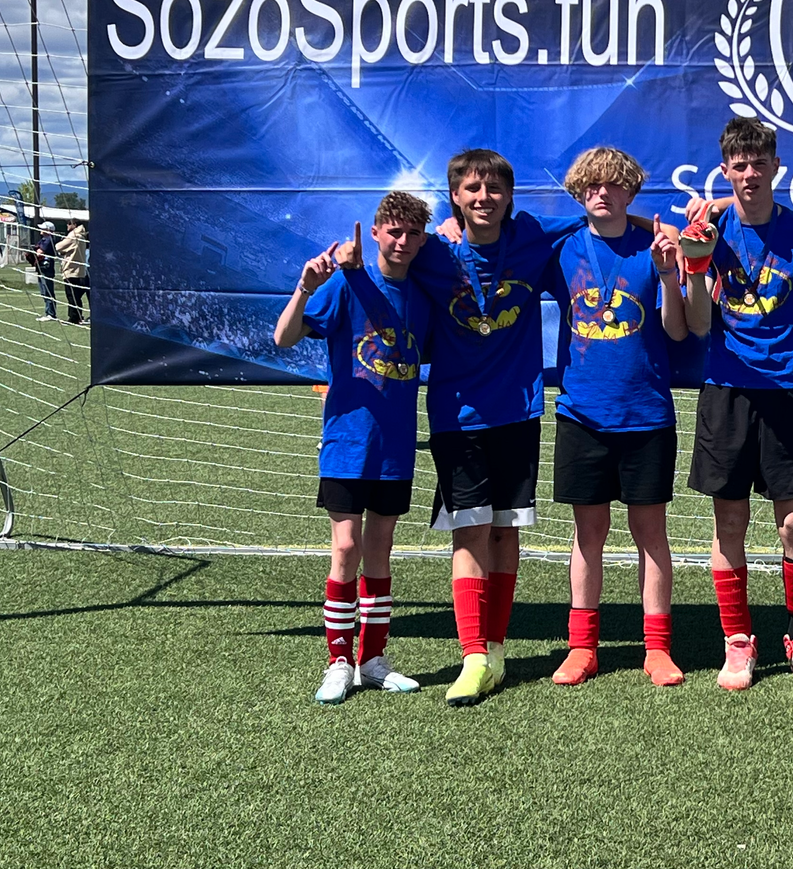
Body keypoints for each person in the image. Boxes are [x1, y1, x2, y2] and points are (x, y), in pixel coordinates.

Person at [408, 150, 588, 707]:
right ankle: (472, 656)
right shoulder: (433, 251)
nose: (483, 196)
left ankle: (498, 650)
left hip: (519, 409)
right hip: (457, 416)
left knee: (506, 531)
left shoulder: (533, 235)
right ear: (455, 198)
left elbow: (599, 215)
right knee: (470, 531)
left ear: (510, 196)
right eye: (470, 188)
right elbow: (388, 253)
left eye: (493, 188)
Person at [542, 146, 702, 688]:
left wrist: (668, 274)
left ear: (631, 192)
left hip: (647, 413)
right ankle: (582, 647)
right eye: (591, 185)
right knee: (588, 534)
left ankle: (657, 648)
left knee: (649, 533)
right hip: (581, 413)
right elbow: (508, 242)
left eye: (613, 185)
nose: (601, 193)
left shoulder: (657, 250)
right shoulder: (562, 246)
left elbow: (678, 333)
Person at [682, 119, 793, 690]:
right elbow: (698, 325)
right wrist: (696, 265)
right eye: (738, 165)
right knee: (730, 522)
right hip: (727, 391)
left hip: (790, 392)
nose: (749, 173)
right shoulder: (708, 230)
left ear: (775, 167)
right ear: (726, 170)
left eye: (758, 163)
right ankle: (738, 642)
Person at [272, 192, 434, 705]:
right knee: (345, 547)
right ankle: (338, 661)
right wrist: (304, 286)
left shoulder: (424, 300)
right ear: (378, 230)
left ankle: (373, 659)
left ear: (422, 239)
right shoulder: (342, 284)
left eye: (413, 233)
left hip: (395, 448)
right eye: (394, 231)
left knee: (381, 550)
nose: (403, 242)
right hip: (347, 443)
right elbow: (282, 338)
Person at [58, 220, 90, 326]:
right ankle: (78, 316)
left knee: (71, 296)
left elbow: (58, 247)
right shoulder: (82, 236)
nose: (67, 225)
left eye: (68, 223)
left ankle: (74, 318)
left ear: (74, 225)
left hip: (71, 270)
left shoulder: (73, 236)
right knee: (76, 295)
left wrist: (62, 242)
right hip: (79, 270)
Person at [31, 224, 58, 320]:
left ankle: (51, 313)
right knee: (43, 291)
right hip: (41, 267)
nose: (41, 229)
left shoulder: (49, 240)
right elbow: (35, 249)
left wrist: (37, 250)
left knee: (48, 291)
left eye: (43, 228)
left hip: (47, 267)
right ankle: (48, 312)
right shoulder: (42, 240)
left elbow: (40, 251)